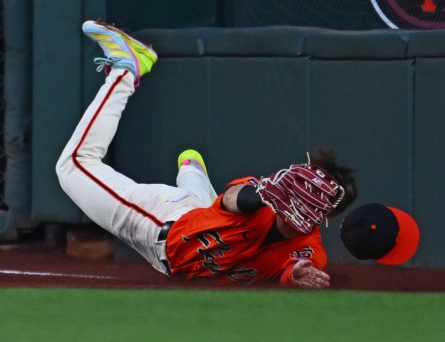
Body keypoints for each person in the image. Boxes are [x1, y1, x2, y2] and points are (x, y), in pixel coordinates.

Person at [56, 20, 418, 288]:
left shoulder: (308, 246)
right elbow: (233, 200)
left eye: (315, 205)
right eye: (303, 195)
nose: (304, 208)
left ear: (323, 214)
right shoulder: (256, 196)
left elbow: (298, 266)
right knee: (73, 166)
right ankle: (127, 69)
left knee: (201, 202)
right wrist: (264, 195)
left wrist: (299, 275)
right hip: (157, 224)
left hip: (191, 230)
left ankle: (191, 167)